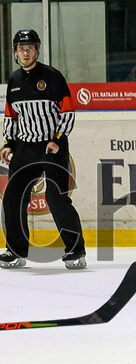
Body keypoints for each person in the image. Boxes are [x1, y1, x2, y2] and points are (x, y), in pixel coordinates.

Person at [1, 29, 86, 269]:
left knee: (55, 197)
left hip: (51, 148)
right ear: (16, 53)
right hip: (24, 149)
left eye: (29, 48)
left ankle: (76, 250)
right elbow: (11, 116)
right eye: (20, 48)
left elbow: (67, 111)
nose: (25, 52)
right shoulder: (14, 81)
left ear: (37, 50)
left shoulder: (53, 77)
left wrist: (57, 139)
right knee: (12, 198)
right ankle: (16, 251)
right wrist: (8, 143)